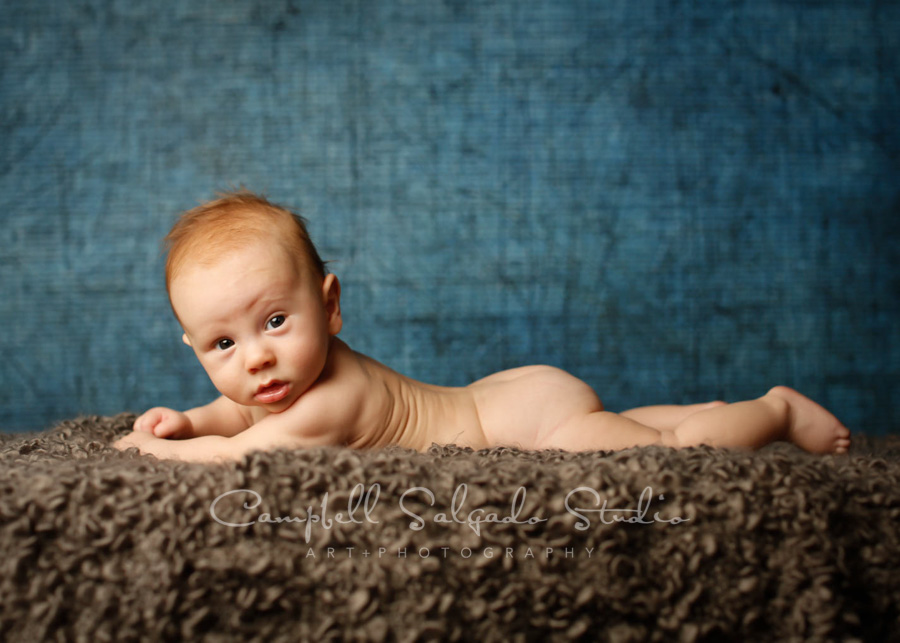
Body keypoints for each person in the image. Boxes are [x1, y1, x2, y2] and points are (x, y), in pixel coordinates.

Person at [114, 191, 852, 462]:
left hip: (526, 423)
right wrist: (189, 417)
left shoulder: (327, 402)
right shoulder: (280, 382)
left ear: (330, 305)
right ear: (193, 346)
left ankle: (773, 409)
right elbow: (237, 411)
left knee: (661, 452)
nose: (258, 359)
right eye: (223, 344)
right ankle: (707, 410)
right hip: (506, 394)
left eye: (277, 320)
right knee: (620, 421)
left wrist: (154, 450)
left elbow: (245, 452)